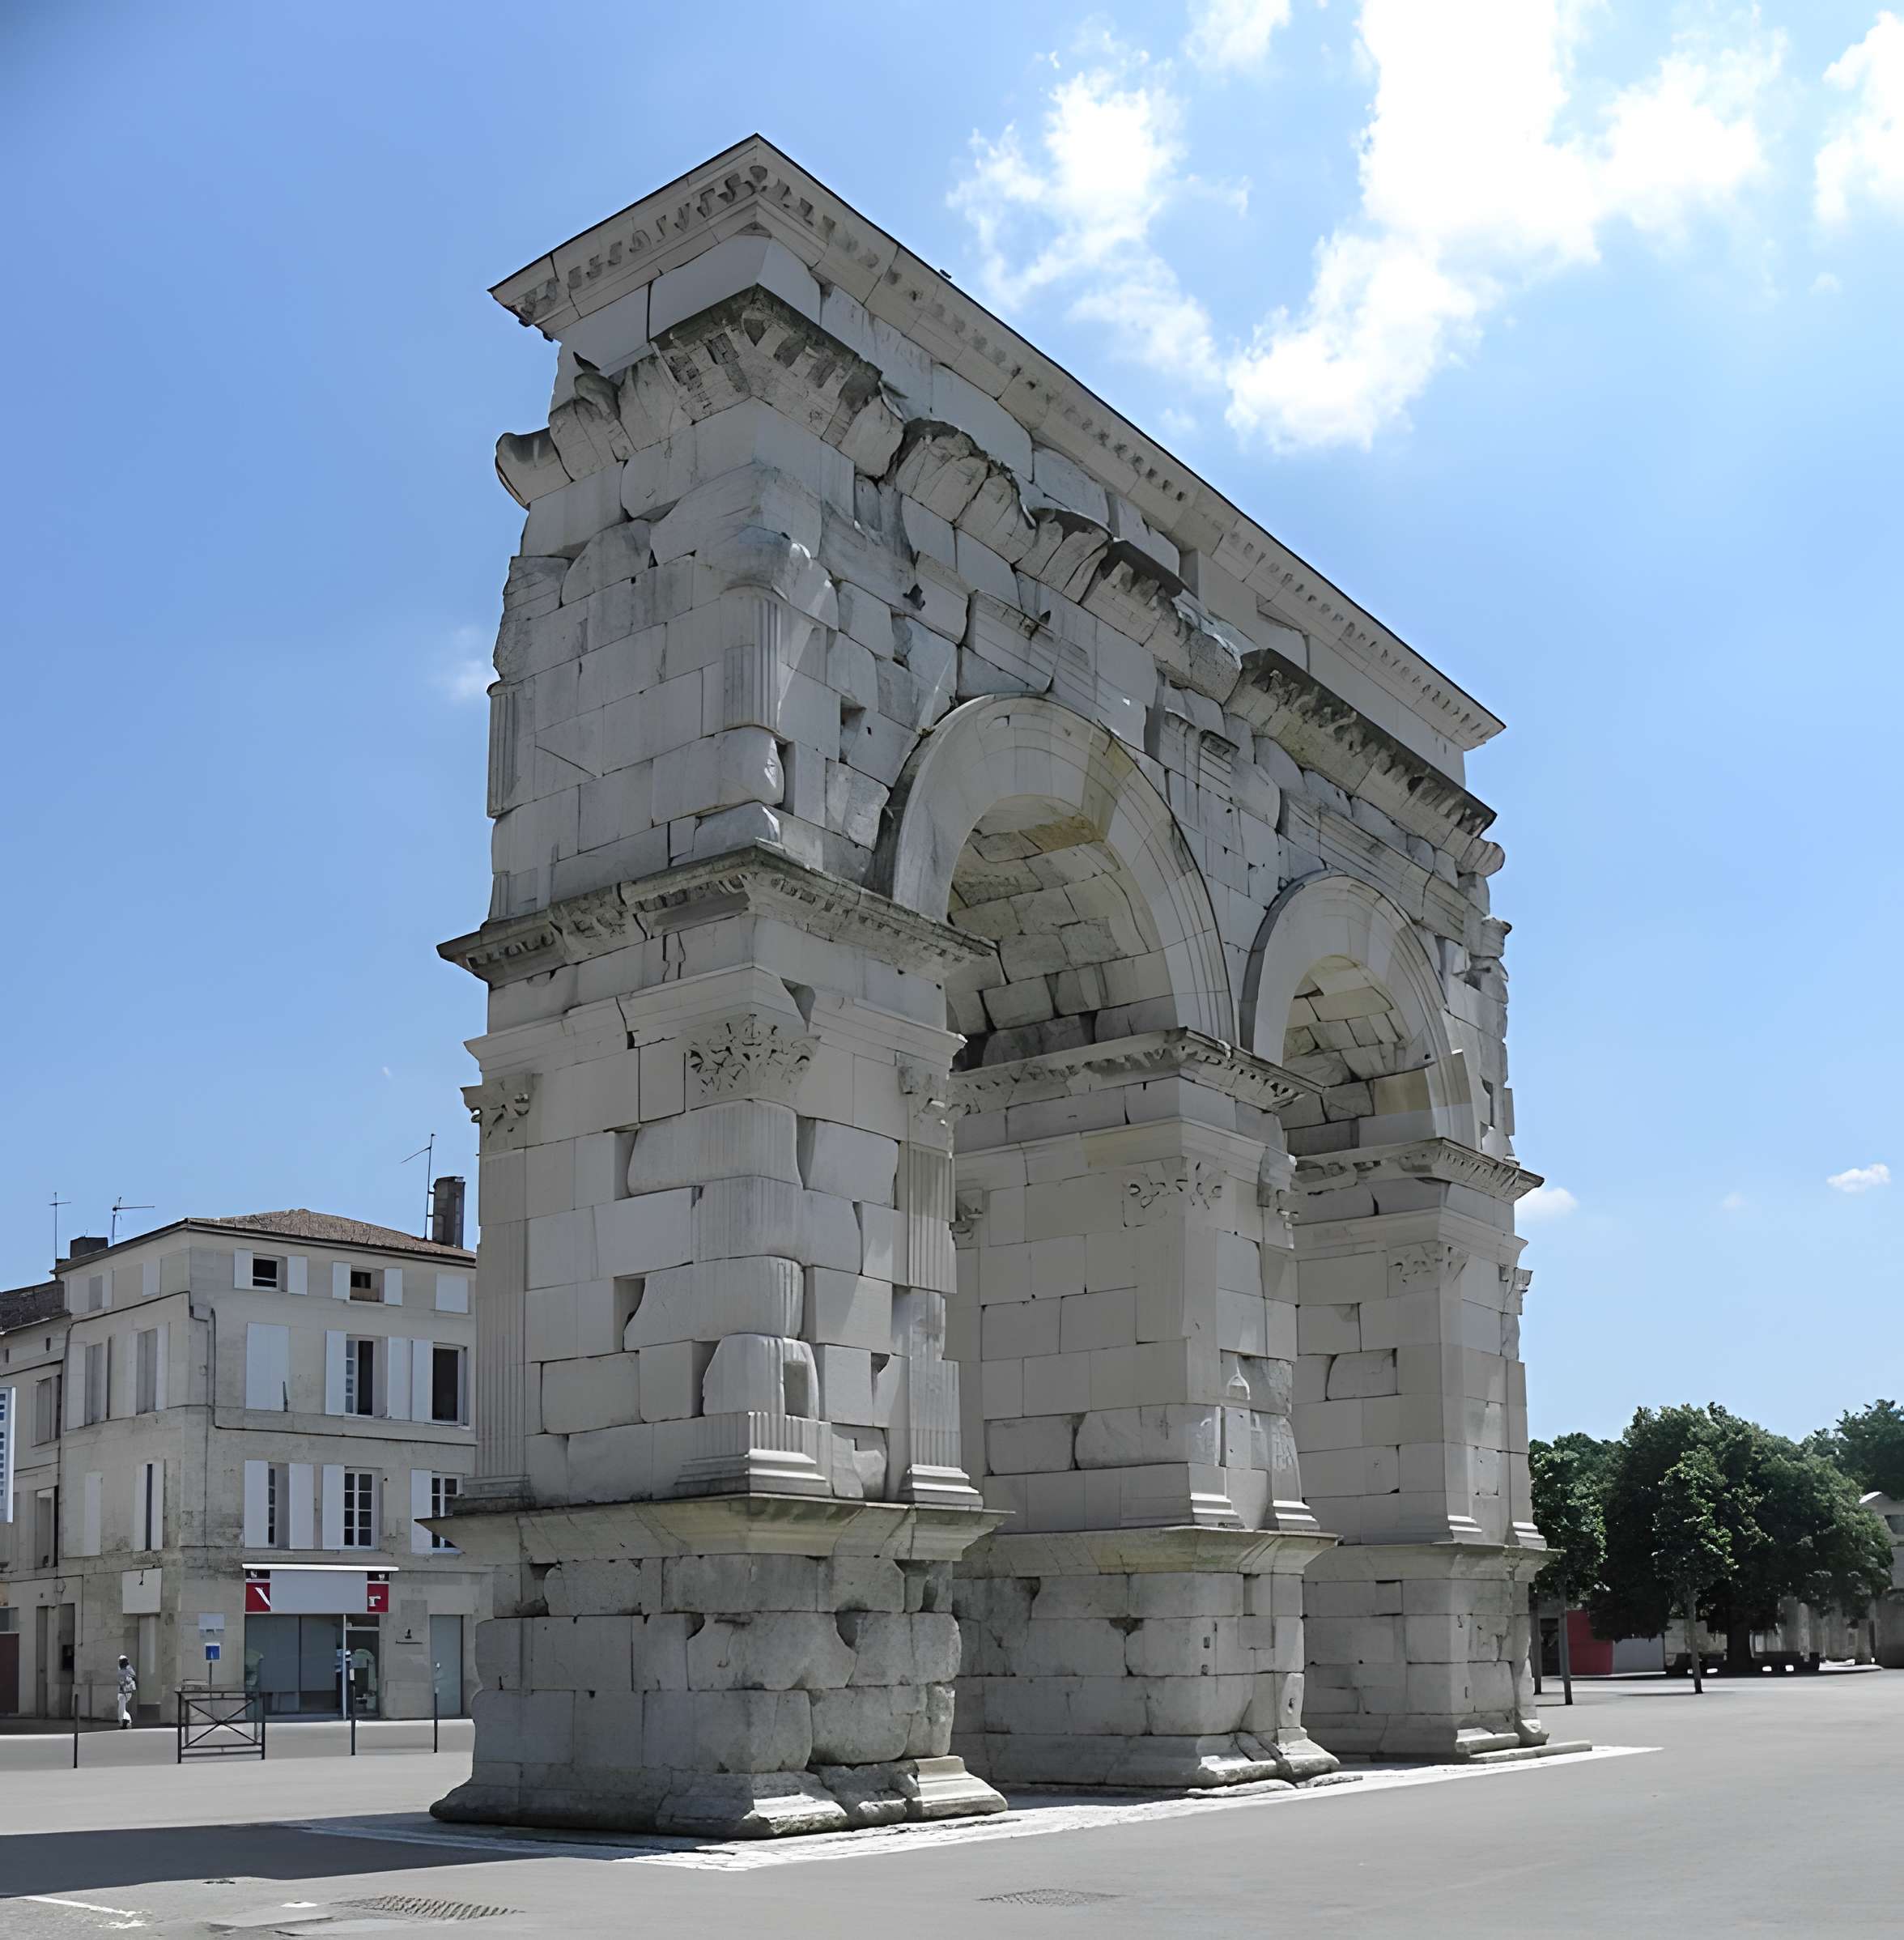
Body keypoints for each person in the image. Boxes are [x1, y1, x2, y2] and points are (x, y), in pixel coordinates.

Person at [116, 1654, 137, 1729]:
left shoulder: (122, 1671)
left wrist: (124, 1691)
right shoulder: (130, 1670)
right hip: (127, 1692)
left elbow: (122, 1682)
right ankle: (125, 1721)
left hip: (123, 1692)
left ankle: (125, 1721)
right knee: (122, 1708)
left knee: (121, 1709)